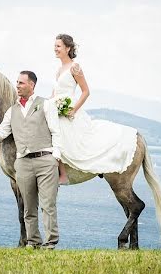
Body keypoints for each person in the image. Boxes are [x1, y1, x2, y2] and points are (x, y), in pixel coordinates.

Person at [0, 71, 62, 249]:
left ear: (32, 85)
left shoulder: (46, 105)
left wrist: (55, 158)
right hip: (23, 163)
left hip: (45, 160)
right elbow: (0, 133)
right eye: (17, 82)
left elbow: (56, 132)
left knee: (48, 206)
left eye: (21, 83)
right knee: (28, 207)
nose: (17, 85)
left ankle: (50, 245)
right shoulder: (12, 111)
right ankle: (33, 243)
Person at [49, 33, 138, 177]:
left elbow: (86, 91)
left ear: (67, 48)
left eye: (58, 46)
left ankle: (63, 174)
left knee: (62, 136)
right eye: (55, 46)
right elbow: (54, 94)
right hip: (56, 108)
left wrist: (74, 110)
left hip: (68, 109)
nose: (55, 49)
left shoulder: (75, 67)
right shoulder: (59, 69)